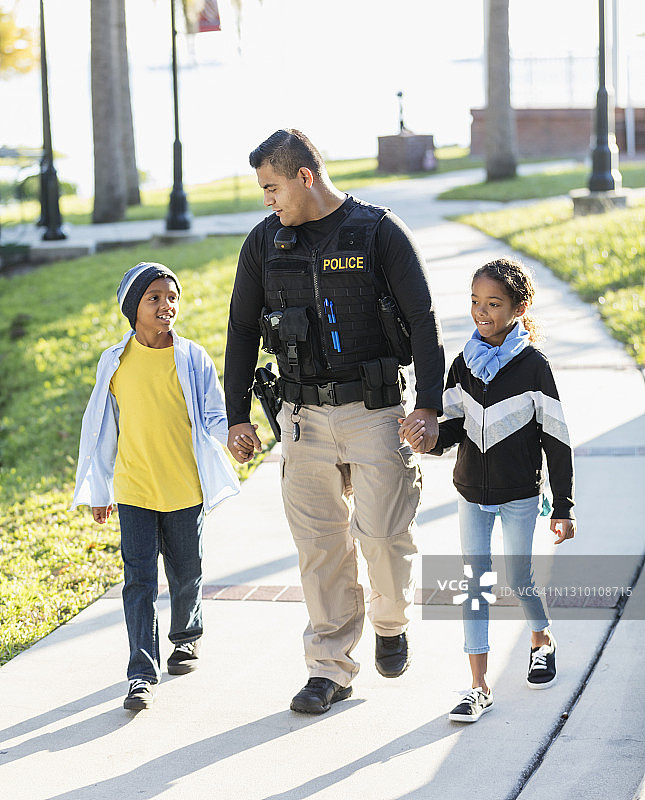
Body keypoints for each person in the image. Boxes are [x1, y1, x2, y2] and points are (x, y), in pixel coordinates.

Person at [224, 129, 444, 714]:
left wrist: (427, 405)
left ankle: (391, 623)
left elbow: (424, 320)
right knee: (320, 546)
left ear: (305, 176)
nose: (267, 200)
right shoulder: (263, 243)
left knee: (384, 537)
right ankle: (329, 667)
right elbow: (242, 329)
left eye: (272, 187)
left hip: (375, 412)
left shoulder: (379, 231)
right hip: (301, 418)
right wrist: (236, 416)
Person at [400, 257, 576, 723]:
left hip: (520, 494)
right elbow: (453, 427)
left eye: (494, 303)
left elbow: (556, 439)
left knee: (519, 578)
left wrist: (563, 505)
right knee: (475, 585)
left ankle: (541, 638)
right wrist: (427, 438)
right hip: (471, 494)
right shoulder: (464, 363)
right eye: (476, 301)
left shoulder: (534, 367)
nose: (482, 311)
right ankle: (478, 686)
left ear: (519, 308)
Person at [71, 261, 239, 711]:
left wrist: (235, 439)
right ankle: (141, 674)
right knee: (138, 581)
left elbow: (214, 415)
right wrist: (102, 491)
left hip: (184, 487)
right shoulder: (115, 362)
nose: (167, 305)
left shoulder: (193, 358)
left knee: (186, 572)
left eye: (172, 297)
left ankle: (186, 636)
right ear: (133, 307)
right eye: (155, 298)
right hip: (134, 489)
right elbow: (102, 430)